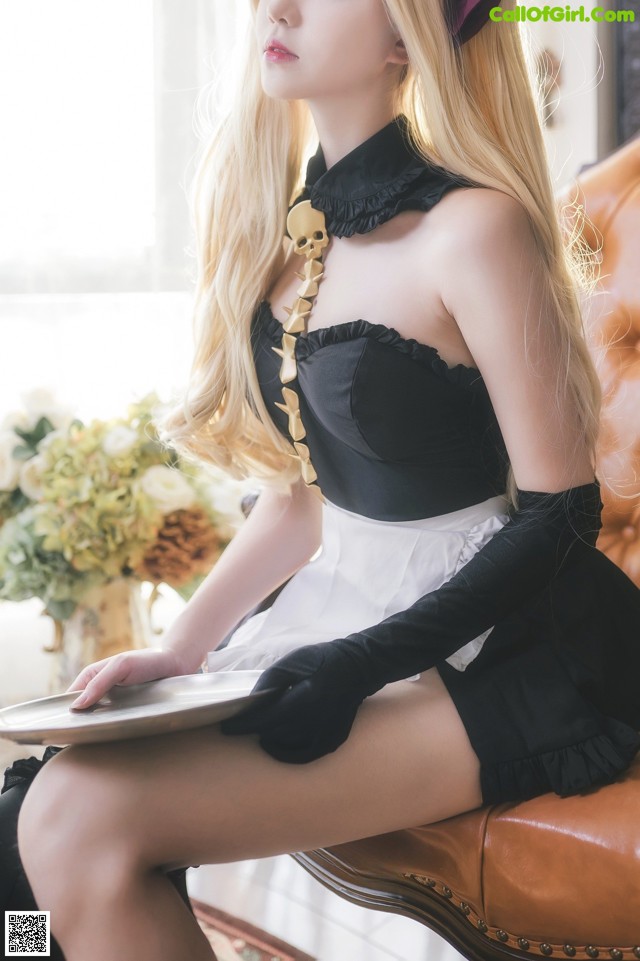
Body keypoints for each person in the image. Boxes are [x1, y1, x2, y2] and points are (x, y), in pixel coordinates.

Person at [8, 0, 640, 958]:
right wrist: (181, 650)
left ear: (407, 36)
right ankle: (24, 950)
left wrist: (363, 663)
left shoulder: (475, 229)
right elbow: (305, 501)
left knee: (80, 821)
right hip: (345, 608)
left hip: (512, 649)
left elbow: (562, 517)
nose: (279, 6)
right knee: (22, 823)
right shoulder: (294, 239)